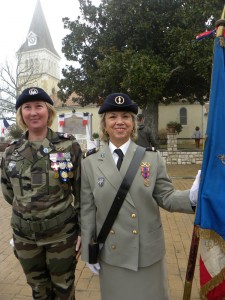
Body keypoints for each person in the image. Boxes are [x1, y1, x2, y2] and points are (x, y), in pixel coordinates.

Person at [80, 92, 200, 300]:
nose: (119, 122)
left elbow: (167, 197)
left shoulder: (151, 159)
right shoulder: (90, 163)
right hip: (111, 252)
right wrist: (89, 253)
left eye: (126, 116)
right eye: (113, 116)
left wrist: (193, 197)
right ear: (104, 124)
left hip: (146, 252)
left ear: (133, 123)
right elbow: (88, 210)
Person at [0, 87, 82, 300]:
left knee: (64, 290)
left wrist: (83, 230)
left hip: (61, 235)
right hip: (25, 237)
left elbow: (82, 191)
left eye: (39, 106)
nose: (33, 112)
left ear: (49, 112)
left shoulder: (68, 145)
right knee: (39, 291)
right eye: (27, 107)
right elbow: (9, 192)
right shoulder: (11, 152)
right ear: (21, 114)